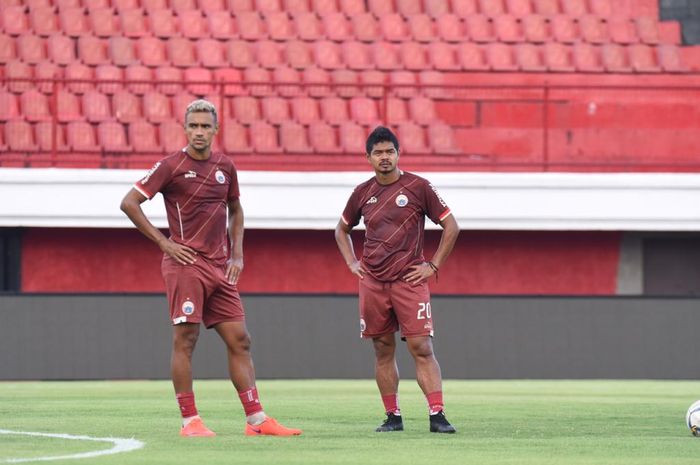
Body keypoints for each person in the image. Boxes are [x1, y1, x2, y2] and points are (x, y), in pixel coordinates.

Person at [120, 99, 302, 438]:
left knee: (241, 340)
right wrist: (165, 243)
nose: (199, 132)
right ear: (185, 129)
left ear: (216, 130)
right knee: (186, 340)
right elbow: (129, 203)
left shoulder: (225, 166)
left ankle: (257, 421)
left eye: (206, 126)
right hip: (185, 265)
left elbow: (236, 209)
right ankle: (190, 422)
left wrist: (238, 256)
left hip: (220, 268)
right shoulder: (171, 166)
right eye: (194, 126)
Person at [335, 126, 460, 434]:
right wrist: (352, 262)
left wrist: (432, 265)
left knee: (422, 347)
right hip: (373, 283)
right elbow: (341, 230)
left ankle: (437, 414)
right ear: (368, 157)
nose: (385, 157)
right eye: (378, 153)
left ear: (398, 153)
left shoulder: (419, 187)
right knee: (382, 348)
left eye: (389, 151)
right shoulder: (361, 193)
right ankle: (393, 416)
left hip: (409, 281)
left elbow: (452, 226)